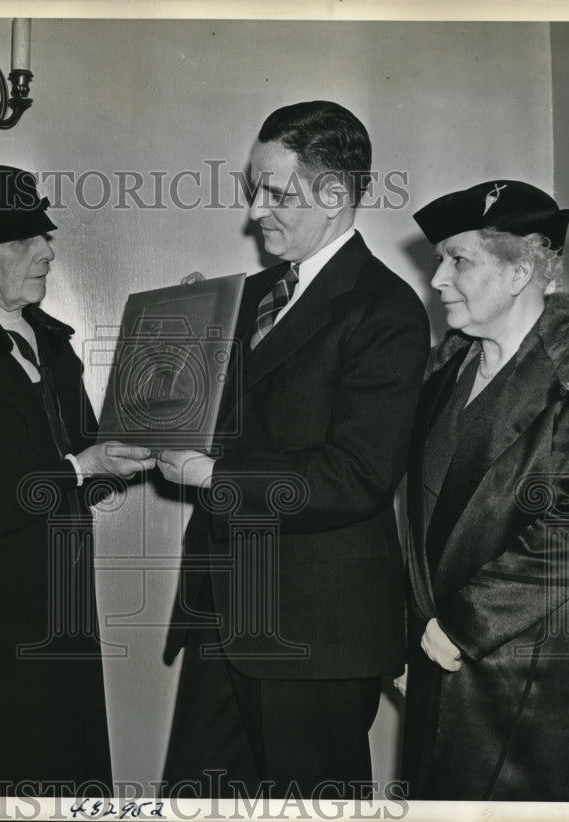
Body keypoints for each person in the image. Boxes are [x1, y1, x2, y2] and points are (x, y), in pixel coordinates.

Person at [157, 101, 430, 798]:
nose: (256, 212)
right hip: (223, 613)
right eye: (256, 189)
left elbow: (356, 477)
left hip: (314, 634)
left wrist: (213, 474)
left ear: (335, 194)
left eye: (274, 190)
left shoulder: (387, 310)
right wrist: (154, 425)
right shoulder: (248, 297)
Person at [0, 164, 155, 796]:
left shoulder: (51, 344)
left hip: (56, 606)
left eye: (44, 236)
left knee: (64, 774)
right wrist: (84, 466)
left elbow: (90, 469)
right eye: (24, 241)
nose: (47, 250)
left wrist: (150, 430)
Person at [400, 180, 569, 801]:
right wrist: (415, 631)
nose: (438, 281)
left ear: (519, 272)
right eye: (439, 262)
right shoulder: (449, 367)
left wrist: (462, 625)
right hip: (439, 659)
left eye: (459, 260)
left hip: (531, 684)